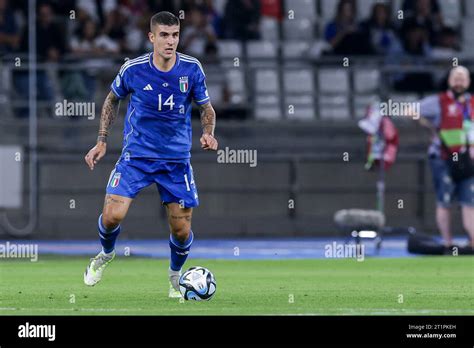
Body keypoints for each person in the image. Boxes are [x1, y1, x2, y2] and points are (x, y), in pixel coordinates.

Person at [83, 11, 218, 298]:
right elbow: (112, 100)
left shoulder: (192, 69)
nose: (171, 41)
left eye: (175, 35)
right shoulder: (133, 69)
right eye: (165, 35)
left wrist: (208, 132)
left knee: (181, 231)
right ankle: (105, 255)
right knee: (112, 217)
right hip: (137, 157)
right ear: (152, 37)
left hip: (176, 161)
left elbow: (206, 108)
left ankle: (174, 277)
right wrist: (101, 140)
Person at [418, 66, 474, 252]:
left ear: (468, 81)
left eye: (462, 78)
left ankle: (472, 242)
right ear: (449, 80)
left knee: (470, 201)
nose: (459, 82)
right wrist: (430, 127)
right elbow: (411, 110)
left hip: (468, 160)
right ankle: (447, 243)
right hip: (443, 158)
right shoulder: (438, 101)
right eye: (455, 78)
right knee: (445, 200)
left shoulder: (472, 103)